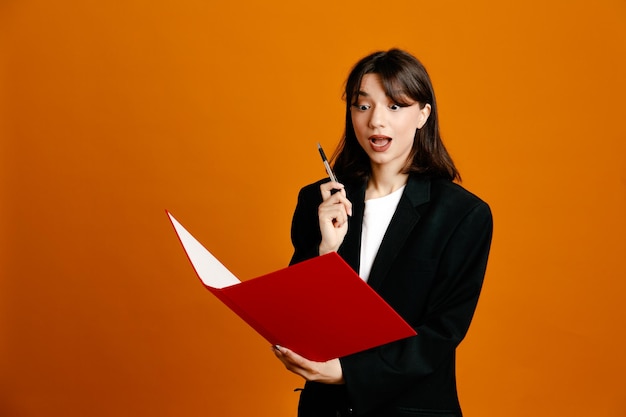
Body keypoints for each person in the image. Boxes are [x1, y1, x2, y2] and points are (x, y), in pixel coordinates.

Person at [273, 48, 493, 417]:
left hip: (412, 408)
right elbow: (300, 318)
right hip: (325, 409)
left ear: (423, 114)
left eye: (395, 106)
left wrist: (347, 372)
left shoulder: (463, 214)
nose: (376, 121)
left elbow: (442, 332)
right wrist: (327, 250)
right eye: (363, 106)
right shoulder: (318, 200)